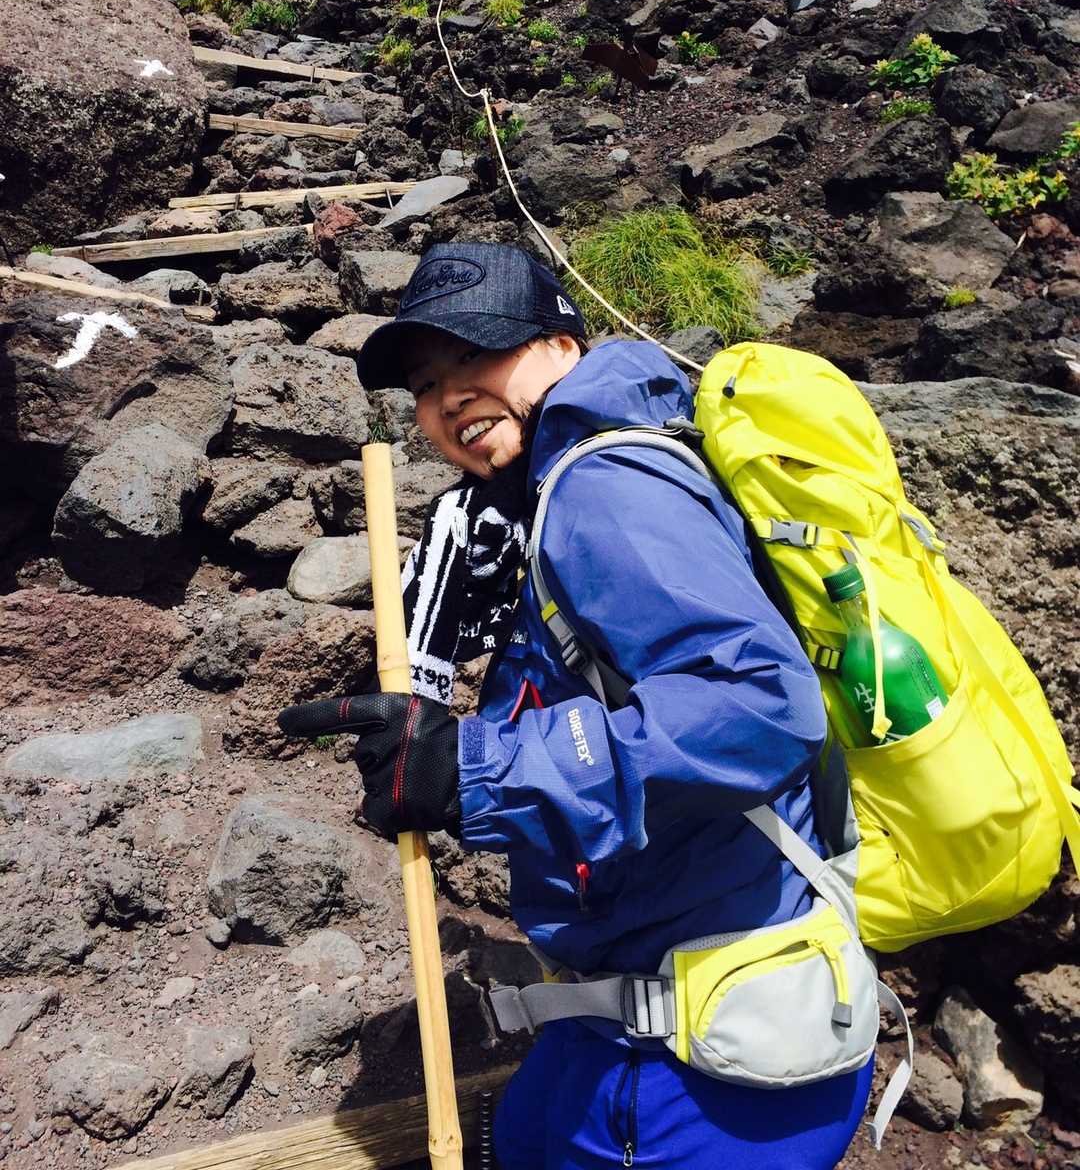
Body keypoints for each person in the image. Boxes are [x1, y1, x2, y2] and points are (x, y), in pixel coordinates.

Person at [285, 241, 874, 1169]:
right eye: (426, 385)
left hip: (706, 1067)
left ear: (564, 344)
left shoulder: (605, 485)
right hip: (638, 1001)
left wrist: (472, 772)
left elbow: (759, 705)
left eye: (478, 353)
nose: (449, 398)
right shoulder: (557, 492)